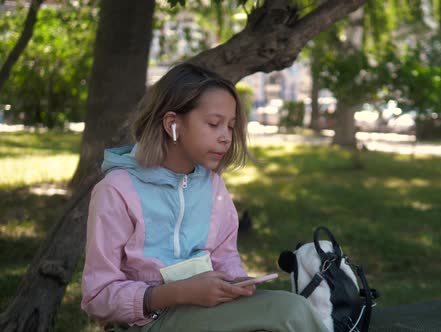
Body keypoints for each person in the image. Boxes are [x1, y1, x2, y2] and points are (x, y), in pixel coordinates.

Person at [81, 63, 328, 332]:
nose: (225, 137)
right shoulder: (117, 190)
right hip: (146, 323)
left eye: (231, 126)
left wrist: (236, 284)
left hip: (208, 312)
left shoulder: (212, 187)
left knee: (283, 312)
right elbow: (97, 296)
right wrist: (179, 293)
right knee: (289, 312)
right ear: (172, 124)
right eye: (214, 124)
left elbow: (225, 258)